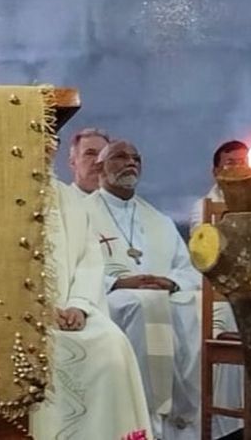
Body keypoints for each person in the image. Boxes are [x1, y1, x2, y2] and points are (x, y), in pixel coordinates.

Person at [87, 141, 202, 440]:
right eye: (120, 157)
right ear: (99, 167)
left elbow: (188, 270)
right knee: (141, 303)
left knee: (194, 305)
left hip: (160, 300)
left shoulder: (159, 221)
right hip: (107, 303)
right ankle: (145, 415)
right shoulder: (81, 214)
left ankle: (182, 418)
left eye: (136, 158)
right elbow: (71, 267)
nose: (131, 163)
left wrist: (170, 282)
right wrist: (118, 282)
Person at [34, 179, 155, 440]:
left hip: (70, 308)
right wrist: (39, 308)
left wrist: (78, 305)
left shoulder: (67, 197)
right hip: (22, 317)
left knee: (112, 345)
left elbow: (89, 260)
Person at [188, 140, 249, 230]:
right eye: (230, 163)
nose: (238, 168)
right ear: (216, 172)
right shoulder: (201, 208)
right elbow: (200, 239)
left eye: (243, 163)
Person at [63, 128, 111, 197]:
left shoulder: (124, 205)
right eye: (90, 154)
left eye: (104, 154)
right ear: (72, 162)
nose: (99, 160)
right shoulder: (57, 201)